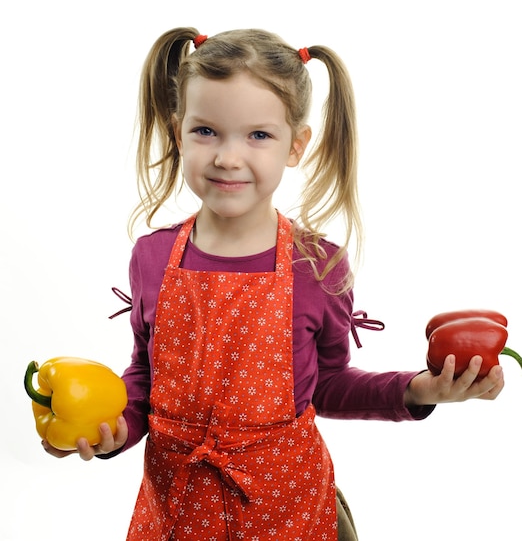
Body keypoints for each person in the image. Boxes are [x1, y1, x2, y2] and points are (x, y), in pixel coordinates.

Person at [43, 27, 504, 540]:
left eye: (258, 135)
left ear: (295, 145)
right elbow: (146, 381)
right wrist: (114, 429)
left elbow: (328, 386)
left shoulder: (319, 267)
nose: (228, 157)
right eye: (206, 131)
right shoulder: (151, 258)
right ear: (178, 132)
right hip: (177, 511)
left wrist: (419, 389)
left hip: (289, 510)